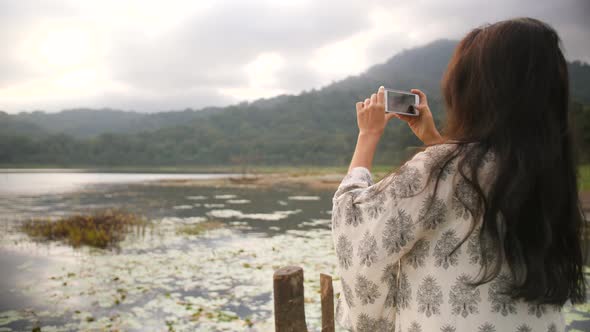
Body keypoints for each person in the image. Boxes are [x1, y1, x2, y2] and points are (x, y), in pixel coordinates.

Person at [331, 17, 587, 332]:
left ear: (473, 90)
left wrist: (368, 135)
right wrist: (434, 140)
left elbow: (355, 227)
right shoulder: (551, 177)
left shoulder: (440, 169)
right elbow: (474, 183)